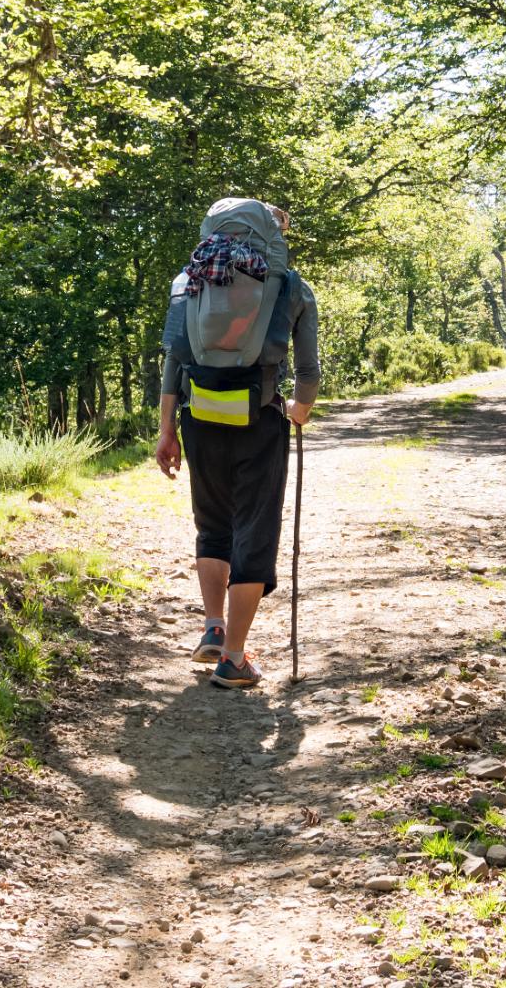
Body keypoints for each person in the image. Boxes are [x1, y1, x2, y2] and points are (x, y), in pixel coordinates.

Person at [155, 197, 319, 689]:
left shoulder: (191, 281)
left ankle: (212, 626)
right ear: (272, 236)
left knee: (212, 524)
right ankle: (234, 659)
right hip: (259, 421)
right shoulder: (291, 287)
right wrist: (298, 412)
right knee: (255, 530)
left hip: (198, 418)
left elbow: (174, 359)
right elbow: (308, 372)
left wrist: (166, 430)